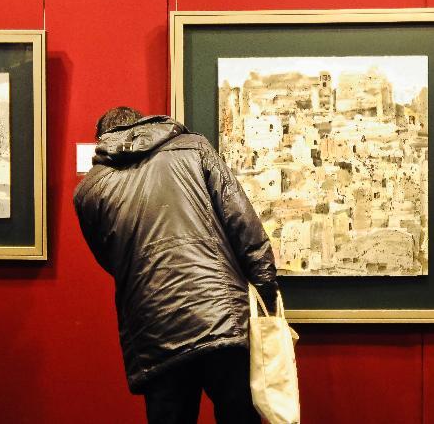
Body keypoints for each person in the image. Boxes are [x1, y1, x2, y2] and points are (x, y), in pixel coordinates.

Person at [73, 107, 279, 424]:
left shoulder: (89, 190)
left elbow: (113, 261)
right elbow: (243, 224)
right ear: (144, 122)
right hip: (221, 314)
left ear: (101, 139)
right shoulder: (194, 149)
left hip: (154, 327)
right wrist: (265, 290)